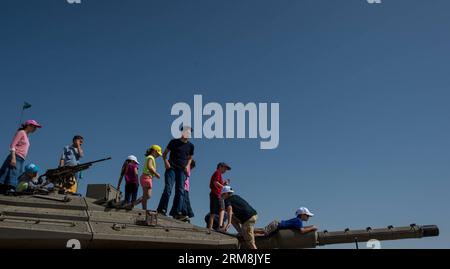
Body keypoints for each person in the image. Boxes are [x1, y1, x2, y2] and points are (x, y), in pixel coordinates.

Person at [157, 126, 195, 220]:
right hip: (171, 168)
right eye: (186, 132)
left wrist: (187, 166)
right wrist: (165, 161)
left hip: (182, 170)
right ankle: (162, 209)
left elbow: (190, 158)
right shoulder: (173, 142)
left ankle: (176, 212)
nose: (188, 134)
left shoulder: (191, 146)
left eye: (190, 132)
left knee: (180, 191)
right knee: (168, 188)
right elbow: (164, 153)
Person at [0, 120, 42, 193]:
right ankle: (9, 189)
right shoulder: (21, 132)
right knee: (12, 174)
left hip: (21, 158)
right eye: (34, 127)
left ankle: (8, 190)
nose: (35, 129)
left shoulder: (26, 136)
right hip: (16, 156)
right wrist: (13, 158)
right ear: (29, 126)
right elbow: (13, 145)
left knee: (16, 175)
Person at [208, 162, 231, 230]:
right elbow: (215, 182)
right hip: (217, 194)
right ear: (220, 167)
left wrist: (224, 183)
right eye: (225, 168)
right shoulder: (218, 173)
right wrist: (224, 187)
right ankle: (220, 226)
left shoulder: (217, 173)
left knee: (213, 212)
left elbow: (216, 183)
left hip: (213, 193)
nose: (225, 170)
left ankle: (210, 227)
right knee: (222, 209)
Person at [140, 145, 162, 210]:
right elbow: (149, 166)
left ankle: (142, 207)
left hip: (146, 178)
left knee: (147, 196)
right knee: (147, 196)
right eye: (158, 154)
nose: (158, 155)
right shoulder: (150, 157)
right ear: (154, 151)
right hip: (146, 177)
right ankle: (141, 206)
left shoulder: (150, 157)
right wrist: (156, 173)